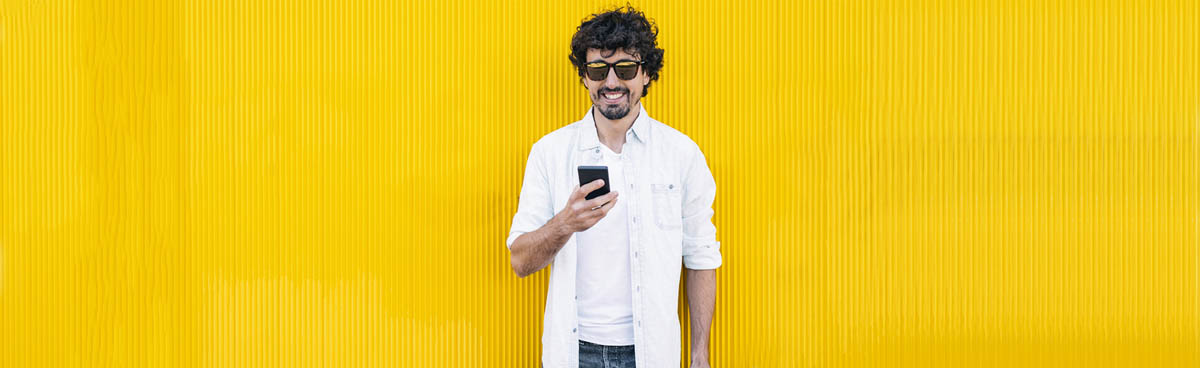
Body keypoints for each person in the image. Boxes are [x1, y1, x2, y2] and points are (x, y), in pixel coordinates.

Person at [506, 6, 721, 368]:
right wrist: (565, 224)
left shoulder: (681, 154)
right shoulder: (550, 153)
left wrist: (700, 355)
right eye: (597, 70)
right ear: (584, 78)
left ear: (646, 74)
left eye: (625, 68)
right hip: (573, 353)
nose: (611, 83)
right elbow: (519, 261)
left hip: (653, 353)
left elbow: (701, 257)